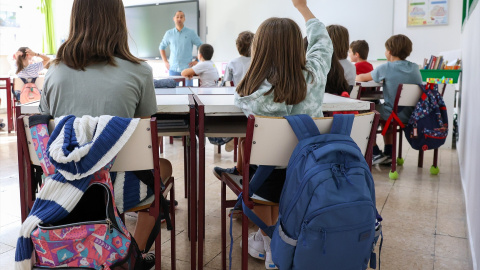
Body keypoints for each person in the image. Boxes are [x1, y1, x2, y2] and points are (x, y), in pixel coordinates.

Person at [38, 0, 172, 268]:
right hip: (116, 191)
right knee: (163, 168)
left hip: (60, 189)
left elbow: (45, 134)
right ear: (118, 21)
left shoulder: (53, 72)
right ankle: (133, 253)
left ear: (75, 20)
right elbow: (147, 142)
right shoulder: (140, 72)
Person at [214, 0, 333, 268]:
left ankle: (270, 247)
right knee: (276, 167)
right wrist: (302, 7)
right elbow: (323, 41)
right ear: (298, 46)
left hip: (267, 181)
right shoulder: (315, 76)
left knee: (260, 161)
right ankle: (281, 241)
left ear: (260, 49)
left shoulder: (249, 93)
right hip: (307, 173)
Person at [356, 34, 422, 164]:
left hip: (393, 114)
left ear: (390, 52)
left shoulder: (386, 67)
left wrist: (356, 75)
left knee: (363, 111)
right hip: (413, 115)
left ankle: (375, 153)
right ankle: (389, 152)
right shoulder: (415, 67)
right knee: (386, 108)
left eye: (386, 49)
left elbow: (362, 78)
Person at [159, 10, 203, 86]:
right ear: (174, 19)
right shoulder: (169, 33)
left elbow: (200, 45)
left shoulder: (191, 33)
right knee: (173, 93)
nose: (179, 19)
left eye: (181, 17)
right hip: (173, 68)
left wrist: (197, 60)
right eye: (177, 17)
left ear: (184, 19)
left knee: (189, 93)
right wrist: (165, 61)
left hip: (187, 69)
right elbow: (161, 47)